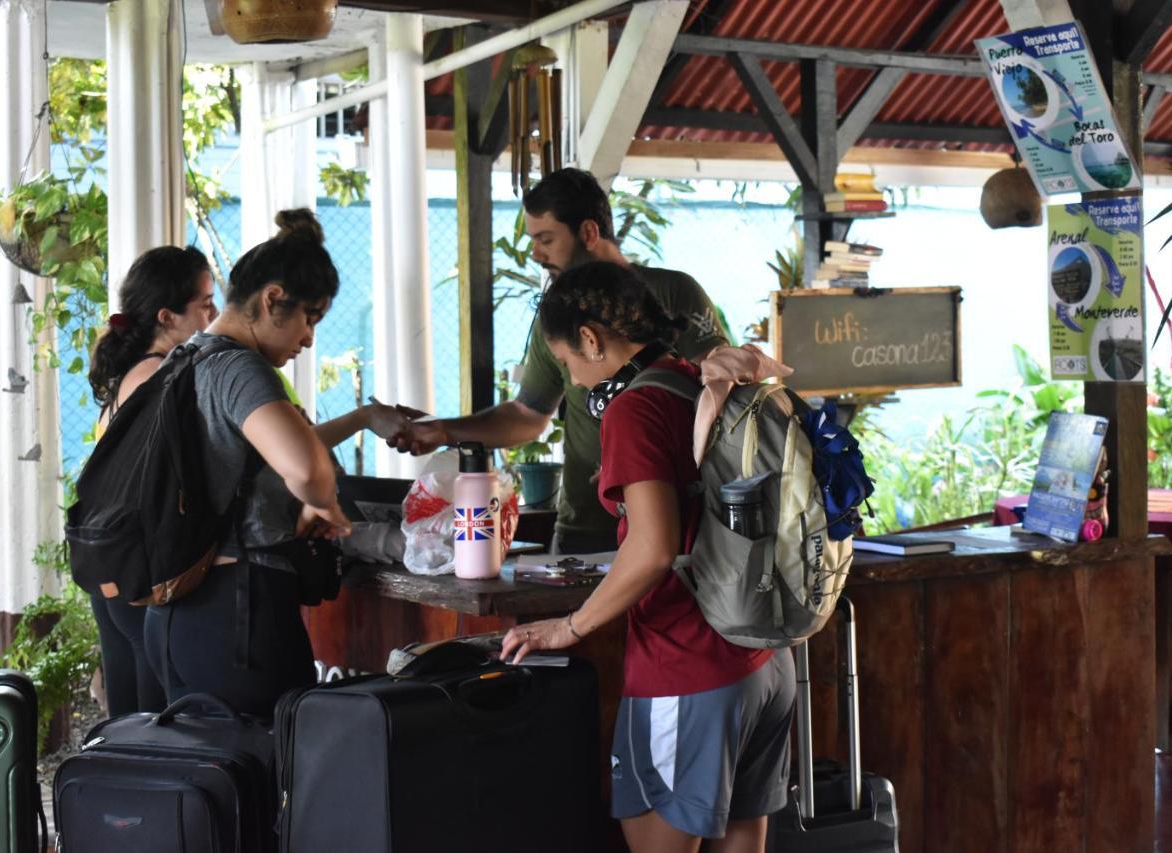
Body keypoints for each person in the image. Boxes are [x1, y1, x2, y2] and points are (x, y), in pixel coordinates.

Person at [499, 262, 793, 853]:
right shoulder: (694, 381)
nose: (577, 383)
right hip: (763, 656)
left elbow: (654, 548)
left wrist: (569, 625)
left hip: (688, 663)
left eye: (567, 363)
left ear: (590, 338)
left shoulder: (635, 408)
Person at [391, 168, 730, 554]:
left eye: (546, 238)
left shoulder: (673, 292)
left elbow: (718, 388)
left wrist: (643, 466)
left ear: (588, 232)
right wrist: (444, 431)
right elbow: (529, 414)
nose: (536, 254)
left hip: (677, 526)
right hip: (585, 526)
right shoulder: (558, 313)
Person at [143, 210, 358, 718]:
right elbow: (307, 469)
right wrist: (323, 505)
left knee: (211, 780)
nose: (308, 339)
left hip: (179, 612)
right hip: (237, 612)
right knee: (268, 778)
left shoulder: (184, 358)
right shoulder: (239, 367)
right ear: (271, 299)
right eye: (310, 318)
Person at [87, 245, 218, 716]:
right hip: (139, 569)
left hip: (112, 564)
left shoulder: (129, 372)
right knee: (151, 727)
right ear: (167, 315)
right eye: (204, 303)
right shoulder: (161, 377)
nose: (215, 314)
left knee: (127, 723)